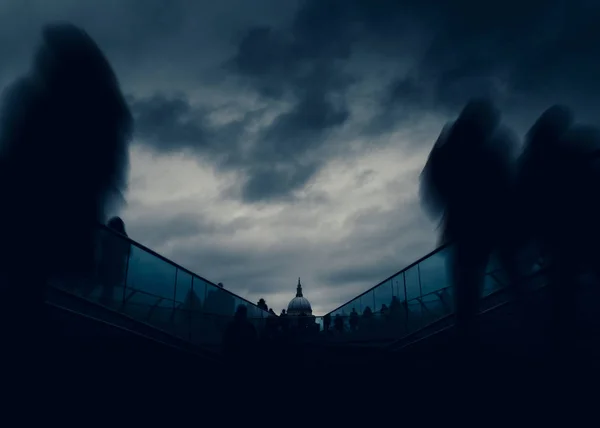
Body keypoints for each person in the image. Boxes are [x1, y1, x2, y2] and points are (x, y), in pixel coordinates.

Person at [420, 98, 520, 348]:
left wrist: (450, 210)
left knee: (466, 295)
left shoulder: (448, 147)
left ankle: (469, 345)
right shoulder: (491, 149)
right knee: (513, 279)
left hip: (464, 228)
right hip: (496, 224)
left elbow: (433, 184)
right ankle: (525, 327)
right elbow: (507, 183)